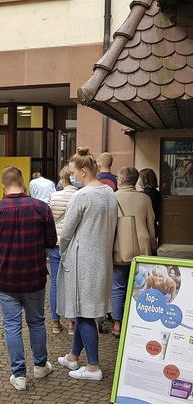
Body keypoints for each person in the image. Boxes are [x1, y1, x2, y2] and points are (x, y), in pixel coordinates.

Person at [0, 166, 57, 391]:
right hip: (34, 276)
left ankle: (19, 374)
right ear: (23, 182)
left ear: (3, 185)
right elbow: (51, 241)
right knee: (36, 321)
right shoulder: (41, 208)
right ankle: (40, 365)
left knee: (11, 325)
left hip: (5, 278)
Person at [56, 147, 117, 381]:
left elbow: (67, 232)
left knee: (83, 313)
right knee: (86, 310)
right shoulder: (109, 192)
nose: (71, 177)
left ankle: (93, 366)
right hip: (101, 258)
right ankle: (73, 356)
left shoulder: (82, 196)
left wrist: (61, 250)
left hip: (82, 260)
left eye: (73, 173)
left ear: (83, 171)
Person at [111, 166, 156, 339]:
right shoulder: (144, 199)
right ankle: (139, 322)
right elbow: (151, 224)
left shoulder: (112, 197)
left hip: (120, 247)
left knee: (118, 286)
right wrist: (152, 246)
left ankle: (117, 324)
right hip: (142, 248)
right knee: (142, 286)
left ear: (121, 181)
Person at [49, 165, 78, 335]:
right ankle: (72, 324)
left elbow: (50, 220)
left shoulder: (54, 196)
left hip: (56, 243)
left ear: (62, 179)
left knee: (55, 283)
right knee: (72, 283)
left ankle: (55, 321)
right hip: (73, 244)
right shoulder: (80, 196)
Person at [138, 168, 160, 244]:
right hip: (154, 224)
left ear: (145, 179)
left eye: (140, 178)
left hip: (147, 226)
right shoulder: (156, 192)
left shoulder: (145, 194)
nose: (139, 180)